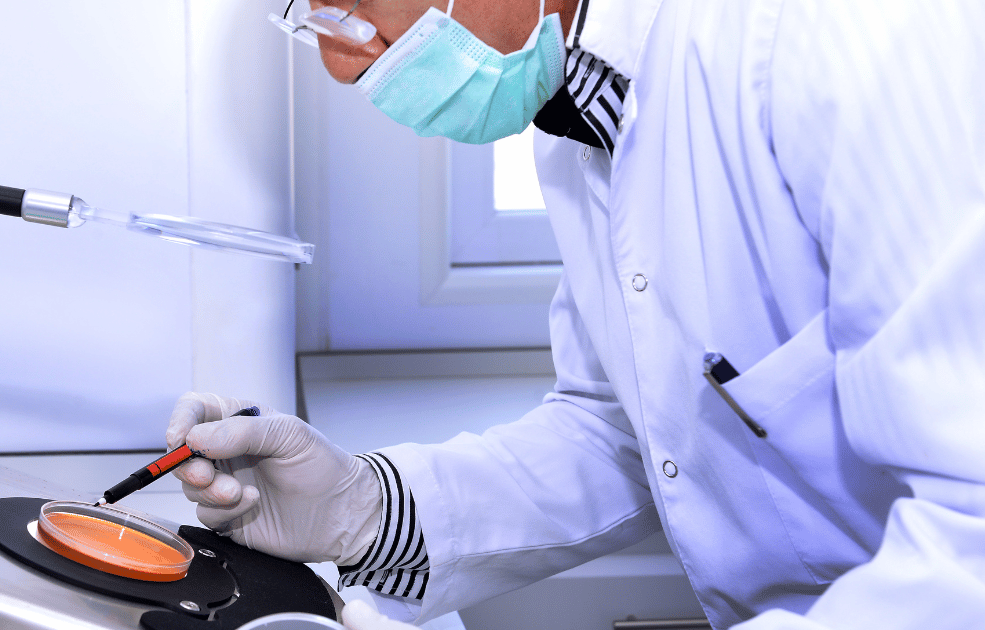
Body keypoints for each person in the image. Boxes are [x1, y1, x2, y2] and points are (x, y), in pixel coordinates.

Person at [167, 0, 985, 628]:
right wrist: (363, 511)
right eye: (308, 23)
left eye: (349, 6)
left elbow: (972, 534)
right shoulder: (577, 116)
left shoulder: (851, 35)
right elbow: (626, 432)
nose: (346, 69)